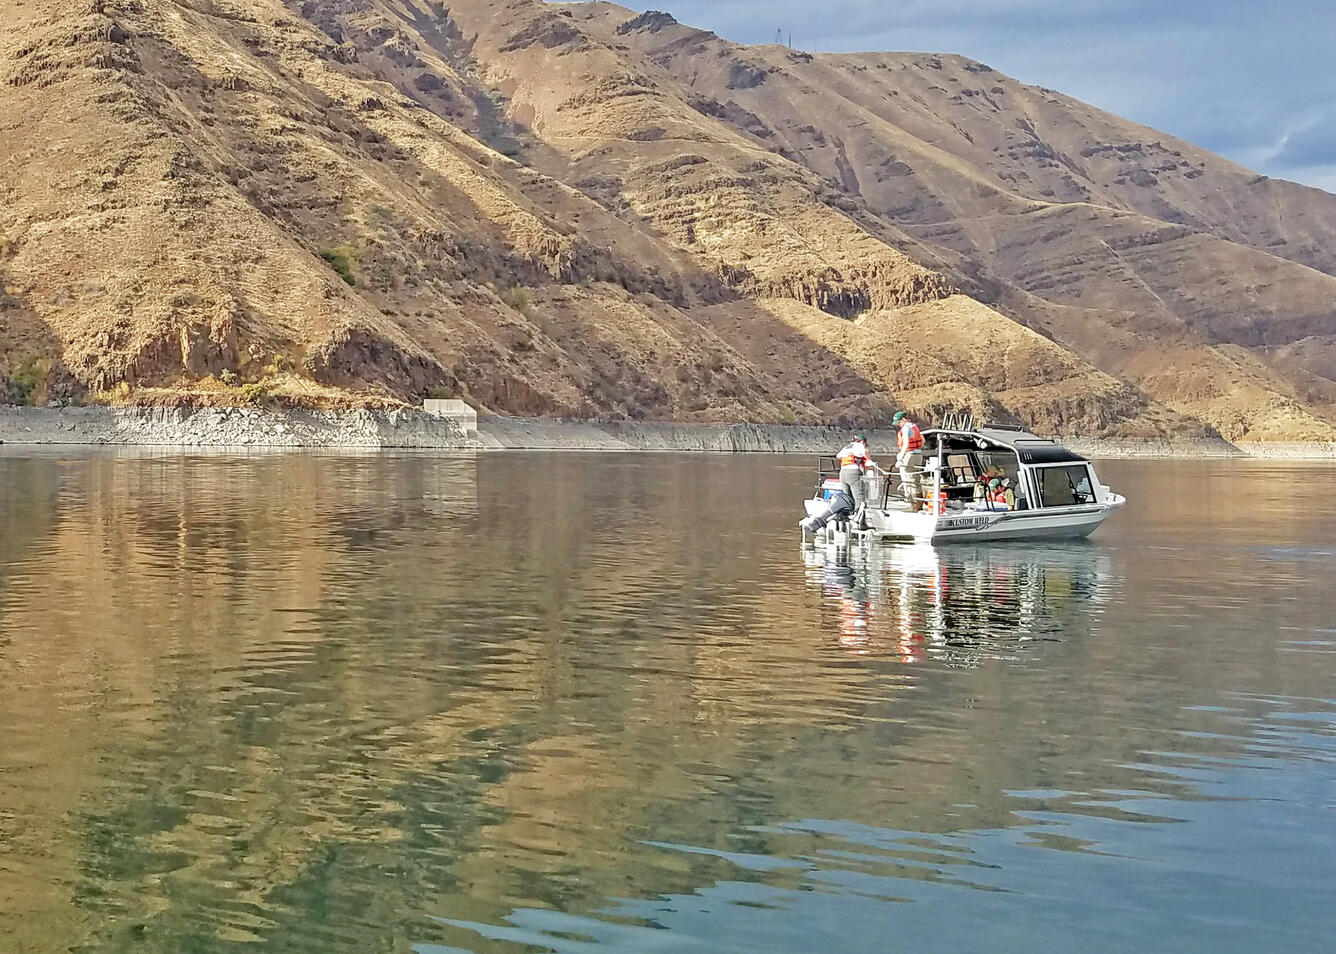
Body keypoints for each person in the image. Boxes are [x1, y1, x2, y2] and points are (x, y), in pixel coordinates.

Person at [834, 433, 876, 523]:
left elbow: (838, 456)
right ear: (862, 441)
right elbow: (865, 452)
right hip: (853, 473)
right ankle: (858, 516)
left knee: (847, 496)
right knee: (858, 496)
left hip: (842, 473)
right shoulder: (859, 445)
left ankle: (845, 514)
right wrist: (870, 461)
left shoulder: (847, 447)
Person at [893, 410, 924, 507]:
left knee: (909, 479)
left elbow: (905, 443)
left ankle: (914, 505)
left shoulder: (905, 428)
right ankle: (919, 502)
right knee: (916, 479)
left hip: (910, 455)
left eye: (899, 422)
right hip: (918, 455)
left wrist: (900, 457)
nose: (898, 424)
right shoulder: (914, 426)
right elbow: (922, 440)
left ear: (903, 419)